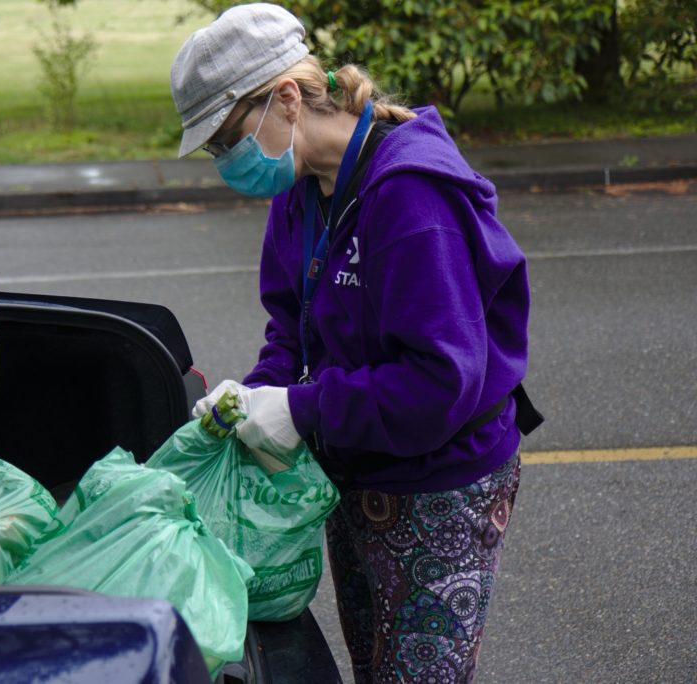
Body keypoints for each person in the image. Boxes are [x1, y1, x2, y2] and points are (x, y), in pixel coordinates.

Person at [171, 3, 542, 682]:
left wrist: (304, 410)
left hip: (438, 486)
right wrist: (261, 393)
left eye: (226, 138)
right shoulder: (300, 191)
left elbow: (438, 384)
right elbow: (292, 325)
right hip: (358, 469)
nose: (225, 161)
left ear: (286, 99)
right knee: (375, 668)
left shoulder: (409, 198)